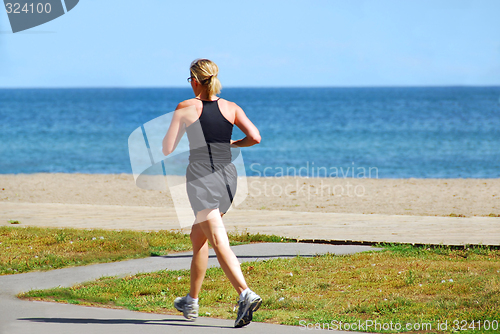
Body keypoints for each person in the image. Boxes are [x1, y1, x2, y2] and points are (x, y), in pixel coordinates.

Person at [162, 59, 262, 328]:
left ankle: (245, 293)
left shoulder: (185, 107)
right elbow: (255, 137)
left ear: (194, 80)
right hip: (228, 179)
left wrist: (182, 127)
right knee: (200, 240)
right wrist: (233, 142)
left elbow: (167, 148)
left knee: (217, 240)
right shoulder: (231, 107)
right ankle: (191, 301)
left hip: (201, 179)